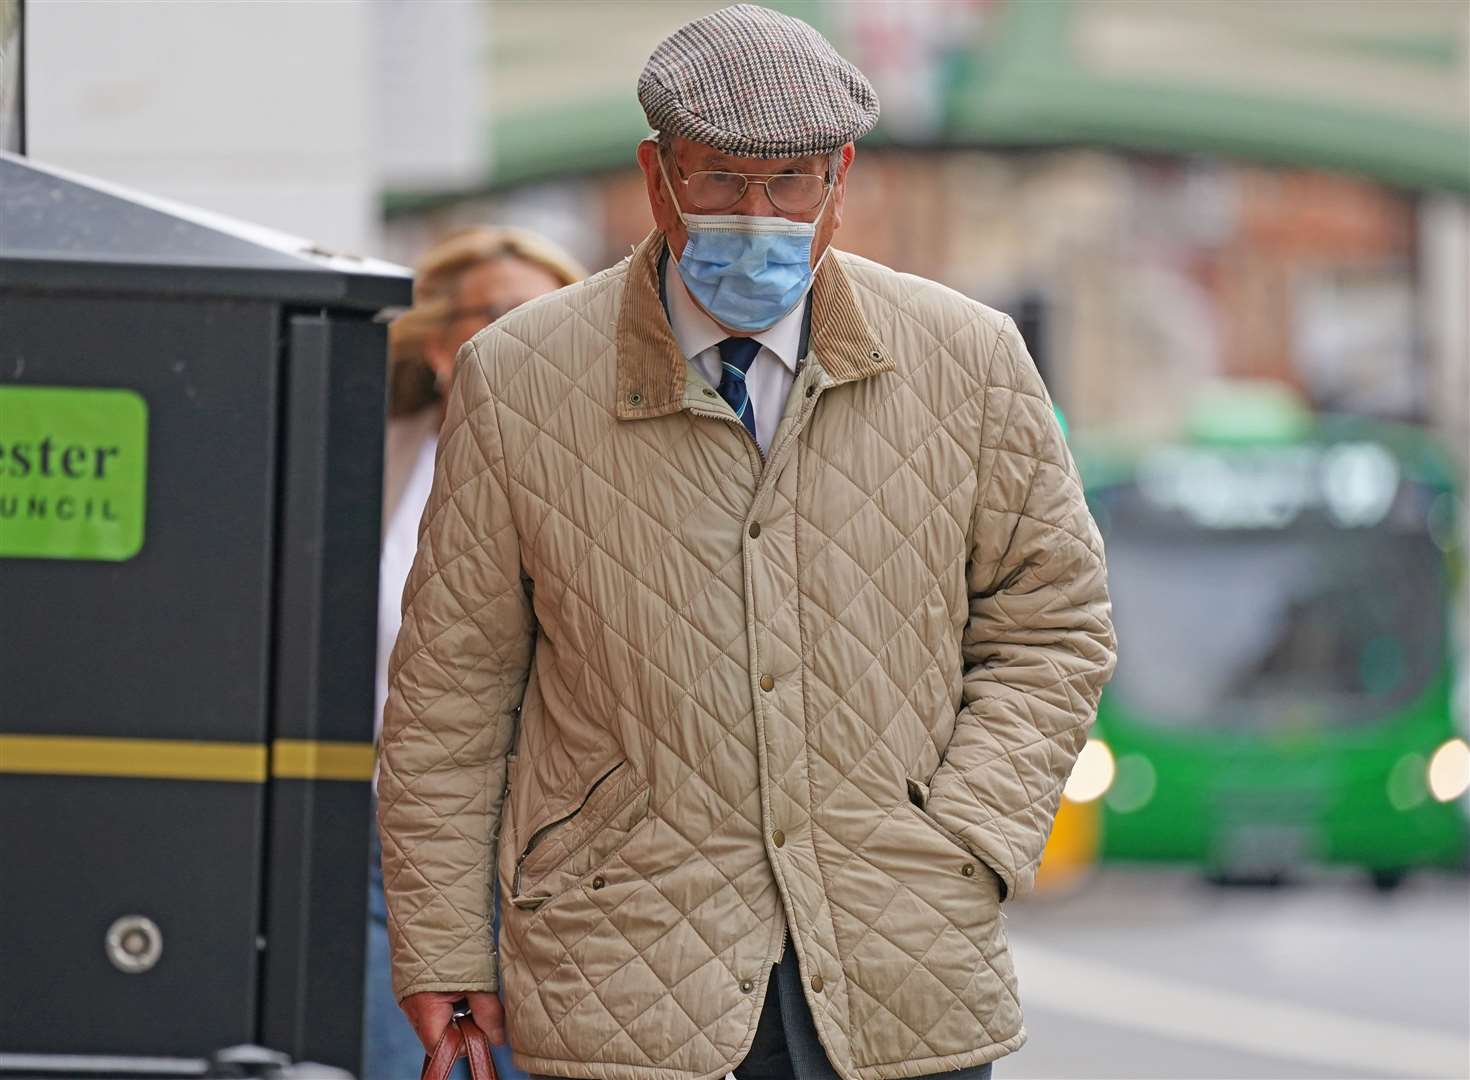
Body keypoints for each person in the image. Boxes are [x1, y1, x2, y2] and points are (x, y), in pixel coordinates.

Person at [379, 5, 1118, 1078]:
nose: (758, 214)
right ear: (657, 176)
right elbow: (454, 684)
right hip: (618, 963)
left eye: (790, 182)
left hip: (898, 956)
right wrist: (444, 941)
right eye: (722, 180)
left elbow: (1054, 622)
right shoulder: (519, 374)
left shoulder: (970, 357)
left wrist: (964, 838)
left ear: (841, 177)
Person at [367, 226, 585, 1080]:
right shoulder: (380, 454)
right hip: (395, 844)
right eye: (493, 312)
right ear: (434, 336)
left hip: (559, 856)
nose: (518, 331)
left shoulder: (602, 458)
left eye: (542, 313)